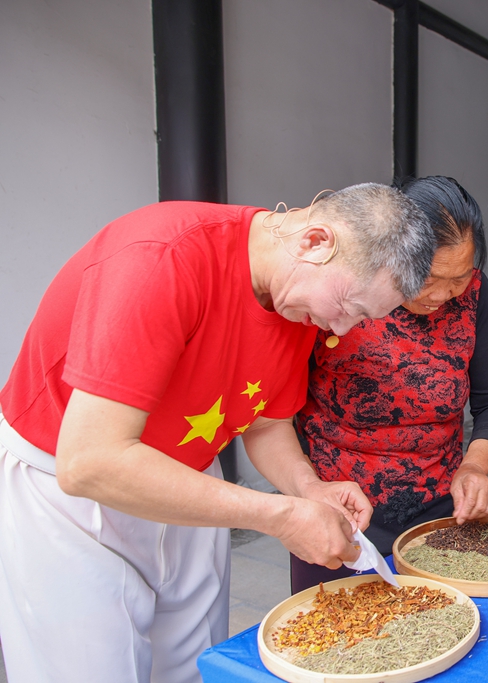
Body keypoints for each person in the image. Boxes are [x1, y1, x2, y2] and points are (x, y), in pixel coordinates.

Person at [0, 185, 436, 683]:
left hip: (188, 483)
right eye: (348, 305)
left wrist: (307, 489)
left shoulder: (297, 298)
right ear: (315, 241)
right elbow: (90, 462)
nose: (340, 328)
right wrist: (278, 515)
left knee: (192, 665)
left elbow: (266, 422)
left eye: (361, 318)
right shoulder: (163, 257)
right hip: (68, 499)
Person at [291, 176, 488, 592]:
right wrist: (307, 488)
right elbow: (277, 411)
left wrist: (473, 467)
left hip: (440, 511)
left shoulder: (473, 295)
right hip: (338, 511)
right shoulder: (341, 291)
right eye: (429, 277)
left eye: (459, 278)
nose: (444, 294)